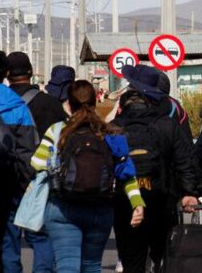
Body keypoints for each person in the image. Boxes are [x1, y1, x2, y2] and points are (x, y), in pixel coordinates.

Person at [30, 80, 146, 273]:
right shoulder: (110, 133)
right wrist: (137, 204)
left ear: (68, 104)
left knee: (67, 266)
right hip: (99, 209)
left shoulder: (57, 130)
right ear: (94, 103)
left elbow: (37, 163)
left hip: (62, 208)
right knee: (91, 266)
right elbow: (126, 173)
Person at [112, 65, 200, 273]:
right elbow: (185, 159)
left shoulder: (116, 126)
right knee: (163, 256)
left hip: (126, 201)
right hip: (162, 198)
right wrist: (189, 192)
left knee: (132, 258)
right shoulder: (168, 123)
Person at [4, 52, 67, 273]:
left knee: (8, 236)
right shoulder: (50, 103)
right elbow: (62, 140)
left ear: (8, 74)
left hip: (5, 177)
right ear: (31, 72)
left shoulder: (2, 102)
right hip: (39, 179)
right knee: (40, 235)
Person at [0, 50, 40, 273]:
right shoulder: (16, 105)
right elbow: (28, 149)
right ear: (5, 73)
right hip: (8, 184)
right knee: (10, 242)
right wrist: (24, 184)